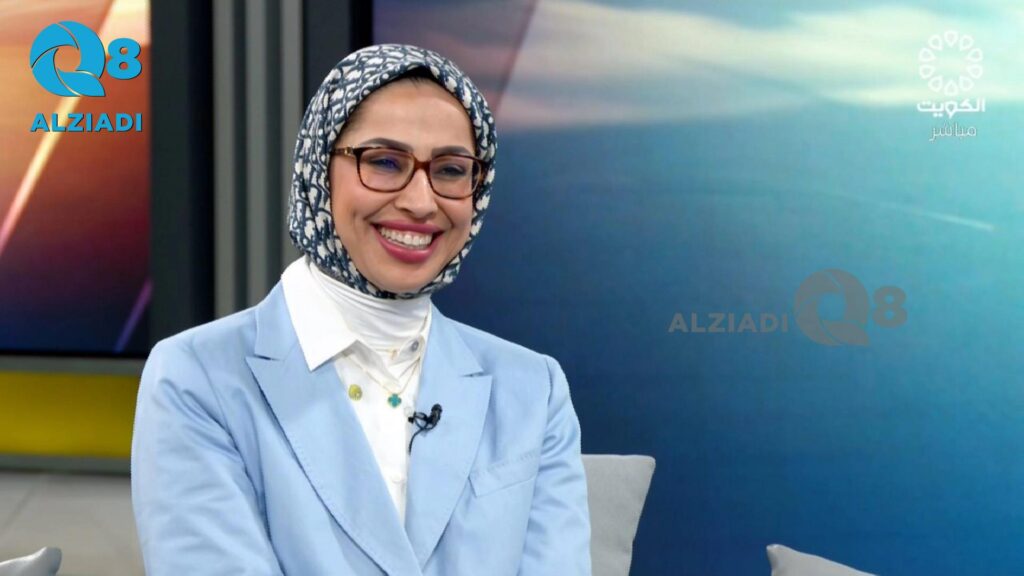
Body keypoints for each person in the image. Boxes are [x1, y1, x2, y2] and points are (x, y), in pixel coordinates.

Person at [130, 43, 592, 575]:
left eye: (450, 170)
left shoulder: (533, 388)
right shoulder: (196, 378)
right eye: (385, 162)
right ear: (318, 170)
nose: (421, 202)